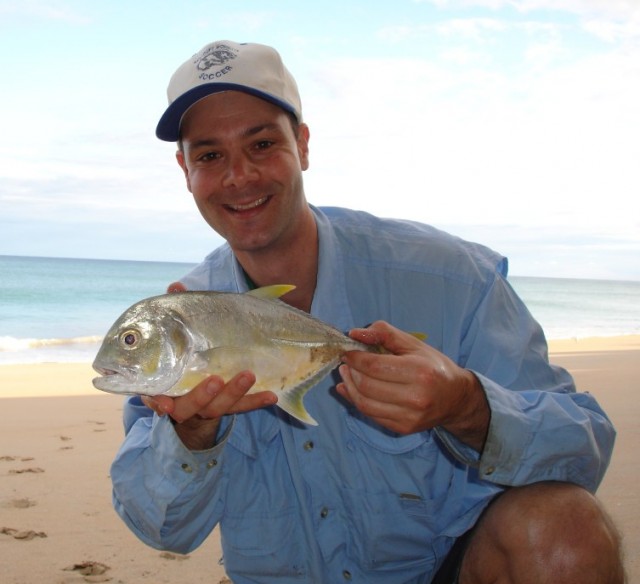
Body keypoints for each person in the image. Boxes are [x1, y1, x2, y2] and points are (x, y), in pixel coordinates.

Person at [111, 40, 625, 583]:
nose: (239, 176)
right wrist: (192, 438)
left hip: (450, 571)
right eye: (210, 155)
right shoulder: (181, 329)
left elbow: (583, 450)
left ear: (303, 145)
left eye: (262, 144)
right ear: (184, 170)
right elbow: (161, 528)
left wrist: (468, 406)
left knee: (566, 531)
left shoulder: (449, 278)